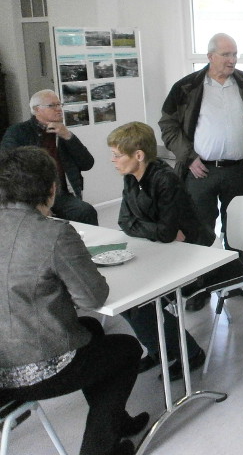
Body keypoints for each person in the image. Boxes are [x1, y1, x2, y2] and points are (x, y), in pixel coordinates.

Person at [0, 146, 147, 455]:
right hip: (36, 367)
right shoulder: (53, 233)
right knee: (126, 350)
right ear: (52, 188)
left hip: (3, 363)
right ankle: (98, 450)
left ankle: (118, 420)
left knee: (91, 328)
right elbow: (93, 296)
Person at [159, 32, 243, 310]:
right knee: (200, 229)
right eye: (226, 55)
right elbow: (168, 125)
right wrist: (188, 156)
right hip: (200, 172)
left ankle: (236, 279)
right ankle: (200, 284)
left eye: (234, 54)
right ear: (210, 56)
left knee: (238, 229)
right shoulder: (187, 87)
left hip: (240, 170)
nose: (231, 60)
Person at [107, 122, 210, 380]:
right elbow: (124, 222)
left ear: (138, 156)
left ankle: (191, 353)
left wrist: (144, 227)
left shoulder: (166, 180)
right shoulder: (131, 178)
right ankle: (158, 349)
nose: (113, 160)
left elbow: (165, 233)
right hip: (163, 249)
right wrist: (152, 229)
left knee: (143, 299)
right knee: (126, 299)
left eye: (117, 155)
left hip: (191, 254)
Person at [0, 89, 97, 225]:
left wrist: (68, 137)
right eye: (52, 106)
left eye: (59, 105)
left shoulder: (62, 133)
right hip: (31, 195)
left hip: (61, 194)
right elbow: (7, 166)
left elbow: (88, 163)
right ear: (36, 110)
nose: (59, 109)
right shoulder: (18, 132)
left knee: (86, 211)